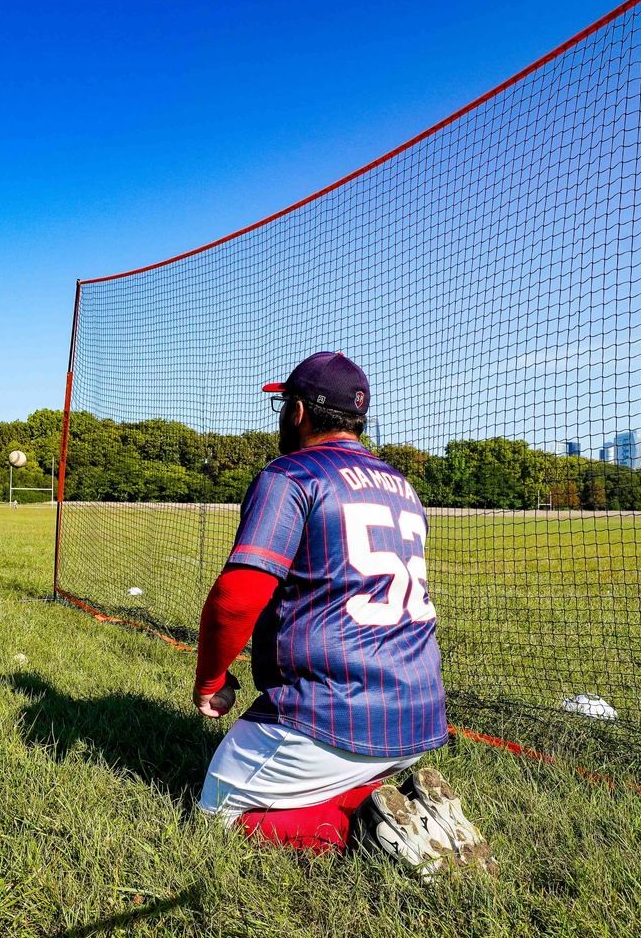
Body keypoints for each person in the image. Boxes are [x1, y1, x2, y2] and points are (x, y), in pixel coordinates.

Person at [193, 352, 495, 877]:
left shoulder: (290, 475)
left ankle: (366, 828)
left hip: (330, 715)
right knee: (338, 769)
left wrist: (211, 679)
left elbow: (237, 596)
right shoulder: (402, 484)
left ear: (299, 413)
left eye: (284, 404)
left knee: (218, 815)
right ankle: (403, 804)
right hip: (418, 719)